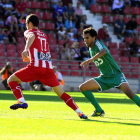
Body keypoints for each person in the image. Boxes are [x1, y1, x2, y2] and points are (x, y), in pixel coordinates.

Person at [7, 14, 87, 119]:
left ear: (30, 24)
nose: (26, 26)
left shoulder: (29, 31)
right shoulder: (43, 35)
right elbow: (41, 54)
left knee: (11, 80)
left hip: (36, 68)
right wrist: (31, 58)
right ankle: (79, 112)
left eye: (26, 24)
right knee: (61, 93)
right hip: (48, 69)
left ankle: (22, 101)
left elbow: (31, 36)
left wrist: (26, 49)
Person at [79, 27, 140, 117]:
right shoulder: (90, 48)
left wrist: (90, 59)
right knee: (83, 87)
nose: (85, 40)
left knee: (130, 93)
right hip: (104, 77)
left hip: (115, 74)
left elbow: (103, 51)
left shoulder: (98, 43)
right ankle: (99, 111)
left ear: (94, 38)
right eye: (84, 38)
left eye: (87, 38)